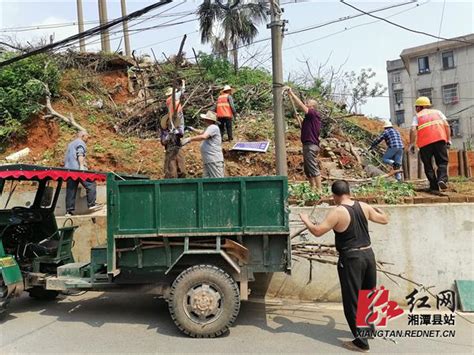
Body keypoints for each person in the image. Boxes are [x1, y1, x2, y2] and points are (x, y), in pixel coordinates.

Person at [299, 180, 388, 353]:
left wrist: (306, 220)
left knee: (352, 298)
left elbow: (317, 231)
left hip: (351, 258)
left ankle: (361, 342)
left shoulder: (338, 212)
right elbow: (384, 219)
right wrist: (381, 210)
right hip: (368, 255)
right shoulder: (363, 206)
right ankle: (368, 329)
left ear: (334, 196)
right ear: (348, 191)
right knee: (367, 294)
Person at [409, 96, 451, 193]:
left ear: (420, 107)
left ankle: (434, 187)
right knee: (442, 162)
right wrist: (448, 140)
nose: (416, 109)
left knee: (428, 165)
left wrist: (412, 144)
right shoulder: (438, 112)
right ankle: (442, 179)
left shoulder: (417, 116)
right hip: (440, 140)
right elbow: (447, 125)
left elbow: (413, 129)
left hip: (424, 144)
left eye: (416, 107)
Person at [285, 86, 322, 192]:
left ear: (312, 107)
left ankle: (319, 190)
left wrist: (291, 94)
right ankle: (312, 188)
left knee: (313, 167)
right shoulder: (310, 118)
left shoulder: (313, 113)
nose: (306, 103)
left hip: (311, 145)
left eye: (308, 103)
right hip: (307, 145)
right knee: (307, 169)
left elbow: (300, 105)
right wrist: (300, 119)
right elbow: (304, 127)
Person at [64, 131, 100, 217]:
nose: (87, 139)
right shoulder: (81, 142)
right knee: (91, 184)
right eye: (87, 137)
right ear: (83, 136)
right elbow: (80, 154)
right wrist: (81, 166)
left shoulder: (70, 144)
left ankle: (69, 211)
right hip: (78, 170)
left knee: (71, 190)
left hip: (69, 170)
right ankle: (92, 205)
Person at [182, 111, 224, 178]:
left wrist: (189, 139)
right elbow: (202, 132)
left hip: (214, 159)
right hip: (209, 160)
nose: (204, 120)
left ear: (209, 120)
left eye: (205, 119)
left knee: (218, 181)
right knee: (206, 182)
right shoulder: (210, 128)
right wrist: (192, 129)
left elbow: (204, 136)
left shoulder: (213, 127)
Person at [161, 80, 186, 179]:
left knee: (179, 169)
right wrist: (183, 84)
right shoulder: (174, 98)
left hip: (173, 121)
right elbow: (182, 91)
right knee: (173, 171)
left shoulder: (168, 101)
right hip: (177, 118)